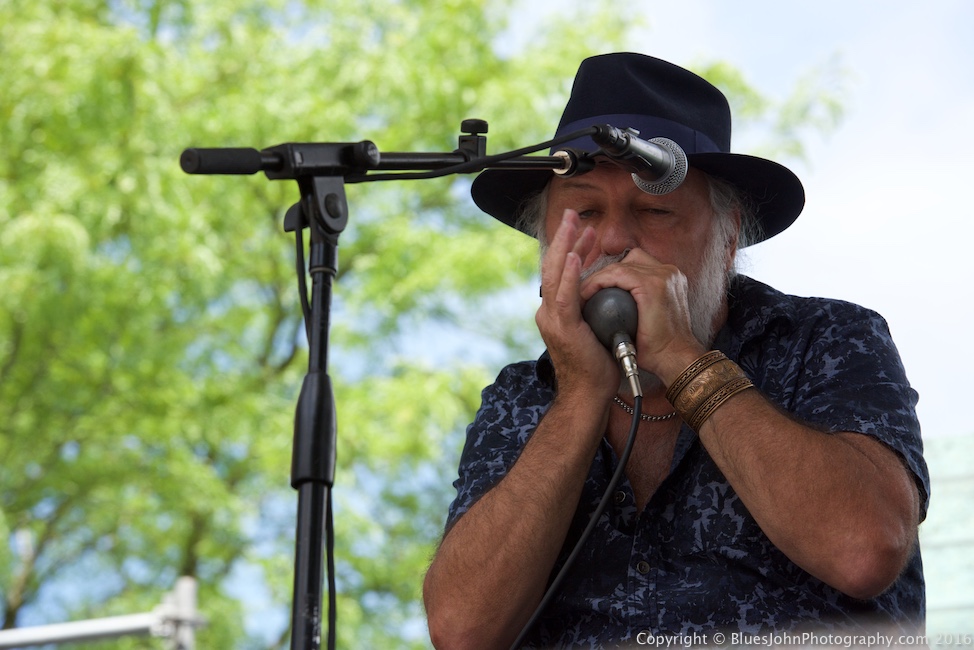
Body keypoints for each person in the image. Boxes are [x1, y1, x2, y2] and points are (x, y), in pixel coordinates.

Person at [422, 53, 928, 649]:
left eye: (654, 210)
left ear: (728, 234)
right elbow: (462, 630)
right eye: (584, 212)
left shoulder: (826, 339)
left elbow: (863, 550)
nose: (612, 239)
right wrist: (582, 394)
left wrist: (683, 360)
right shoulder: (523, 397)